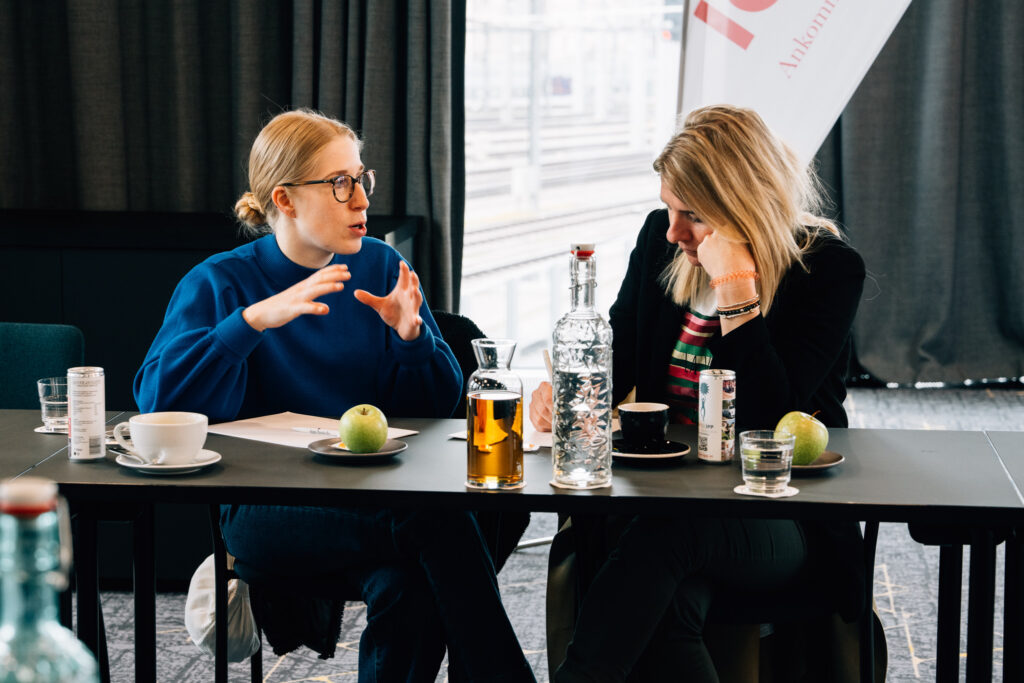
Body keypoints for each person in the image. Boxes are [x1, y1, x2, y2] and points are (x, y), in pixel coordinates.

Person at [135, 109, 535, 683]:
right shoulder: (220, 281)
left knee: (413, 581)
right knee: (439, 522)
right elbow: (160, 402)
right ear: (286, 199)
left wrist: (412, 341)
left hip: (376, 498)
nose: (362, 200)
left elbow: (437, 410)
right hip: (264, 511)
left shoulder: (381, 264)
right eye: (340, 183)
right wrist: (248, 323)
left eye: (361, 179)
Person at [529, 105, 867, 682]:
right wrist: (568, 390)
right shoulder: (660, 245)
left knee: (663, 534)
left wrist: (737, 291)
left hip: (780, 513)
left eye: (693, 215)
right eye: (668, 207)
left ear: (745, 207)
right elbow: (617, 358)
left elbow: (767, 421)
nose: (672, 231)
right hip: (669, 499)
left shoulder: (827, 270)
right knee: (666, 606)